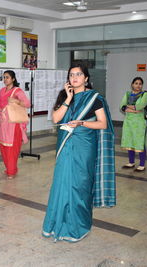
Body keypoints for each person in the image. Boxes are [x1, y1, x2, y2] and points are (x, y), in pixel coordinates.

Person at [42, 63, 115, 242]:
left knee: (80, 185)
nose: (74, 78)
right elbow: (56, 119)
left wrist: (81, 123)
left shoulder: (94, 98)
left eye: (79, 74)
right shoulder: (64, 95)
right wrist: (68, 98)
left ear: (86, 78)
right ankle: (55, 223)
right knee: (61, 183)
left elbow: (103, 123)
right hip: (65, 146)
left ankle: (78, 226)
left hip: (84, 147)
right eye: (71, 75)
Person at [0, 70, 31, 179]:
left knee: (12, 148)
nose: (5, 80)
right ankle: (10, 168)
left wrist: (16, 101)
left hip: (13, 125)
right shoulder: (1, 91)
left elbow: (27, 104)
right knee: (3, 147)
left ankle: (11, 171)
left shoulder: (17, 91)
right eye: (4, 77)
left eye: (7, 77)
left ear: (13, 79)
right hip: (2, 123)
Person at [120, 77, 147, 172]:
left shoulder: (145, 95)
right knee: (130, 141)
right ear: (132, 84)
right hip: (128, 122)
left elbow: (140, 106)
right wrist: (134, 109)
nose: (138, 85)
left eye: (140, 83)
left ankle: (142, 164)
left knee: (140, 143)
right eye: (136, 83)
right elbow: (122, 106)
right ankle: (131, 162)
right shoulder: (127, 94)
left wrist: (128, 107)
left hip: (140, 123)